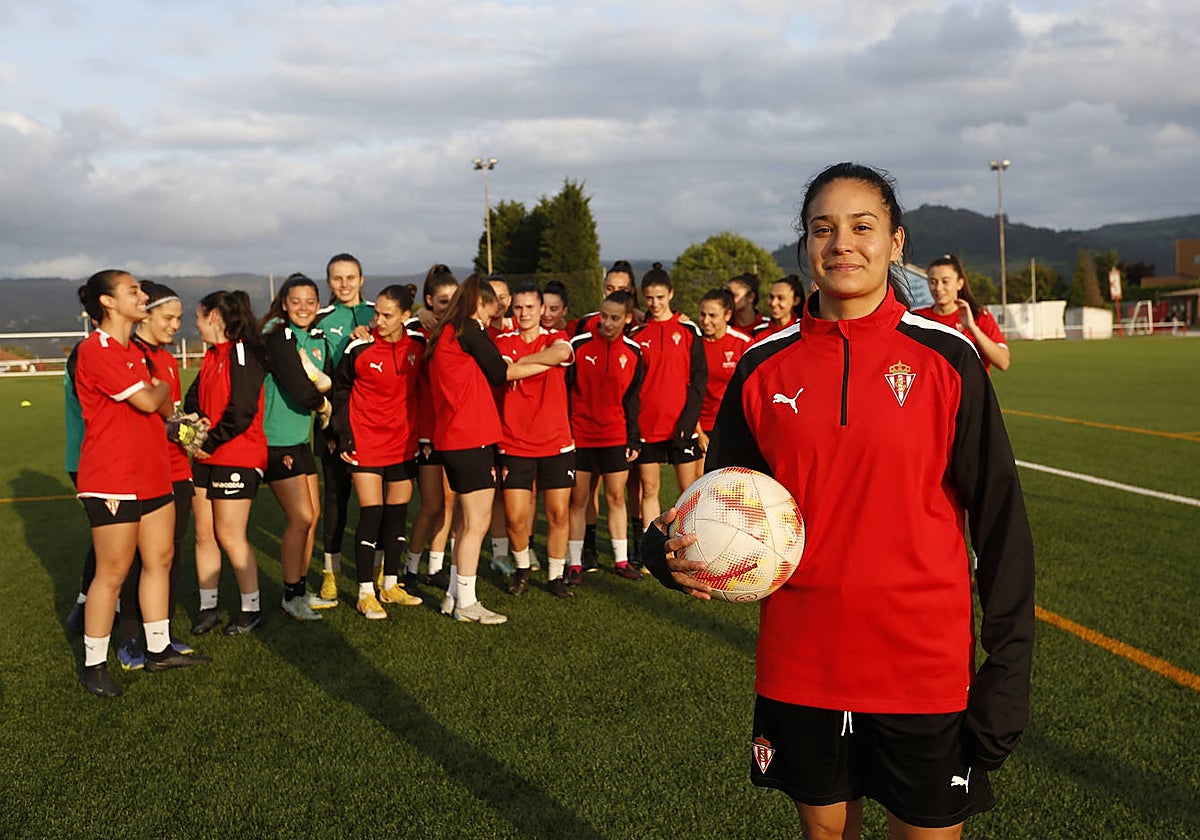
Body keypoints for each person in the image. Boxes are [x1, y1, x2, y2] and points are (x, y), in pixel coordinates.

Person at [643, 162, 1035, 839]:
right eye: (823, 229)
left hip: (923, 661)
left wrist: (1008, 669)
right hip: (804, 660)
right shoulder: (763, 367)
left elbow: (1000, 521)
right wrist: (661, 550)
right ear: (805, 247)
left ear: (896, 242)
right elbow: (716, 500)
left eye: (862, 227)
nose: (842, 244)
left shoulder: (948, 359)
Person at [72, 270, 210, 696]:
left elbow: (164, 410)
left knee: (161, 559)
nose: (141, 296)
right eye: (132, 291)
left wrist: (163, 397)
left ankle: (158, 647)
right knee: (112, 573)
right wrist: (162, 386)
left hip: (153, 476)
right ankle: (94, 663)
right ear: (107, 302)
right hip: (112, 477)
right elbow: (152, 400)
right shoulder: (96, 349)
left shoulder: (134, 351)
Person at [426, 274, 561, 624]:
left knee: (464, 522)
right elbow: (502, 372)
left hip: (456, 438)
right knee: (476, 523)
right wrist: (553, 356)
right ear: (477, 305)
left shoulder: (446, 332)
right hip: (470, 438)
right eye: (488, 314)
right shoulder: (467, 327)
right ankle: (467, 604)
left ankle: (455, 593)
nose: (489, 322)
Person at [113, 281, 204, 667]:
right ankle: (130, 638)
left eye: (180, 319)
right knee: (139, 560)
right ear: (145, 314)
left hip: (177, 469)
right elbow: (151, 414)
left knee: (170, 554)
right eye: (169, 317)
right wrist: (184, 429)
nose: (175, 325)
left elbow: (172, 417)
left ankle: (160, 636)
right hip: (145, 472)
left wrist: (192, 434)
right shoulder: (130, 355)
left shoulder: (166, 359)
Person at [331, 284, 426, 620]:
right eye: (377, 313)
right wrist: (344, 437)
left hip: (403, 444)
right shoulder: (358, 346)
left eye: (388, 315)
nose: (379, 321)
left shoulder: (418, 344)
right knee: (371, 515)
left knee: (397, 516)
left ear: (405, 316)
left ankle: (390, 584)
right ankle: (364, 593)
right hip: (366, 444)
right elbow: (340, 392)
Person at [185, 290, 268, 636]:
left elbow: (243, 410)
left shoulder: (242, 352)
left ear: (215, 317)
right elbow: (194, 398)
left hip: (238, 455)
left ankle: (252, 608)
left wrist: (210, 442)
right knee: (204, 533)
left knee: (230, 535)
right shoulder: (211, 355)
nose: (195, 322)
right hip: (207, 455)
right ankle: (209, 607)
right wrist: (193, 427)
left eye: (199, 316)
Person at [260, 274, 339, 621]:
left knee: (312, 518)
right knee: (301, 517)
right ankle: (290, 595)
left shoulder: (316, 338)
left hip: (300, 440)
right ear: (284, 303)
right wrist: (322, 406)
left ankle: (301, 591)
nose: (304, 308)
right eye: (296, 301)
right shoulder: (277, 337)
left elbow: (330, 381)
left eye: (310, 301)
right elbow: (299, 387)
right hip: (276, 441)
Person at [493, 284, 575, 598]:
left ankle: (555, 576)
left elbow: (561, 353)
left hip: (556, 443)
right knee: (515, 517)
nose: (524, 313)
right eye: (518, 308)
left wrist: (524, 362)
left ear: (542, 309)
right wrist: (541, 363)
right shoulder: (503, 340)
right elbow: (505, 374)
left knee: (558, 514)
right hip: (514, 443)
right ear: (512, 310)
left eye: (530, 307)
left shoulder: (557, 337)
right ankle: (523, 567)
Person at [565, 290, 643, 585]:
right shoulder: (579, 346)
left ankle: (621, 561)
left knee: (615, 498)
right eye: (603, 316)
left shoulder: (634, 352)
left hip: (615, 436)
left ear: (627, 319)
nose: (606, 323)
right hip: (581, 436)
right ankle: (574, 563)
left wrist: (632, 438)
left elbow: (632, 400)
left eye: (614, 318)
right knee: (579, 499)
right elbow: (565, 392)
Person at [631, 262, 706, 566]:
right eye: (649, 298)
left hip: (681, 427)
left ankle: (689, 547)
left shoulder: (688, 330)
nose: (655, 303)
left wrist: (688, 423)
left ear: (671, 294)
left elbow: (699, 379)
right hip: (648, 426)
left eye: (660, 297)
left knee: (687, 494)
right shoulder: (637, 334)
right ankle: (653, 551)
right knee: (650, 489)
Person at [312, 253, 375, 596]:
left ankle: (381, 571)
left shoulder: (376, 313)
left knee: (377, 501)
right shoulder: (318, 318)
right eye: (337, 278)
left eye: (351, 277)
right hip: (331, 419)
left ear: (362, 279)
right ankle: (331, 572)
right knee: (336, 497)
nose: (345, 284)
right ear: (328, 282)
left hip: (374, 422)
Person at [404, 264, 459, 592]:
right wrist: (418, 314)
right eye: (441, 301)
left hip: (453, 431)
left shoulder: (460, 330)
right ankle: (410, 568)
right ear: (428, 301)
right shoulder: (417, 330)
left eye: (453, 300)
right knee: (431, 505)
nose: (447, 307)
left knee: (449, 502)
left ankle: (435, 566)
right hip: (426, 432)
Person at [914, 254, 1011, 373]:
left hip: (971, 390)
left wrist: (973, 329)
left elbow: (1003, 363)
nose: (938, 288)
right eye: (933, 282)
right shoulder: (917, 319)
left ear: (960, 283)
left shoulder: (978, 316)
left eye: (945, 281)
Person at [695, 288, 752, 463]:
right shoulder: (693, 343)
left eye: (712, 315)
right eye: (702, 314)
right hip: (700, 426)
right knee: (697, 486)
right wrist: (698, 432)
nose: (706, 321)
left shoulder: (743, 343)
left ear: (727, 315)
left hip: (732, 426)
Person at [752, 275, 805, 343]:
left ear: (796, 301)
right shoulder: (758, 332)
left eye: (780, 298)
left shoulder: (803, 329)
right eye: (771, 297)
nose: (773, 303)